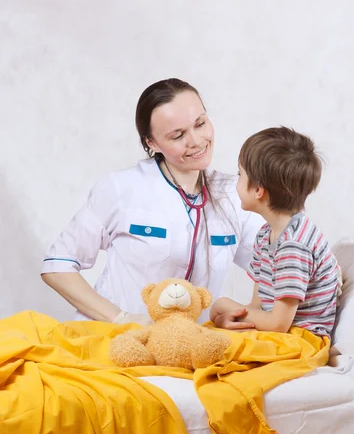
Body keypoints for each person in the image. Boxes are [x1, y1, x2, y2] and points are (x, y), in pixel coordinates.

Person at [41, 78, 263, 325]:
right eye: (177, 135)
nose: (196, 141)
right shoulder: (120, 188)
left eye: (200, 123)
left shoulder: (234, 194)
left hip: (186, 351)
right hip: (114, 344)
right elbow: (57, 267)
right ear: (152, 142)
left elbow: (273, 269)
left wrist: (240, 315)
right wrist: (121, 319)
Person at [210, 126, 341, 337]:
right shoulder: (265, 236)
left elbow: (278, 324)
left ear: (258, 190)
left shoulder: (293, 245)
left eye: (239, 174)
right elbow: (257, 308)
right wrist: (229, 318)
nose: (236, 182)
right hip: (277, 333)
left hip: (301, 338)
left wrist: (224, 304)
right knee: (211, 334)